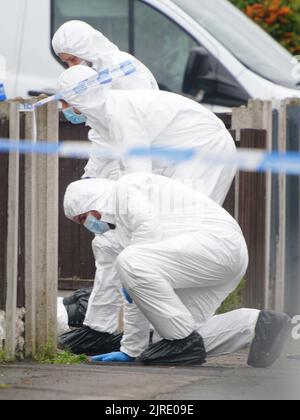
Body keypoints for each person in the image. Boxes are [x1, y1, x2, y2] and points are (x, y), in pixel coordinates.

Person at [63, 176, 290, 367]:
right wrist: (132, 349)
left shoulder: (126, 190)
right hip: (207, 258)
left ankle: (181, 341)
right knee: (167, 335)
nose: (87, 225)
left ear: (92, 202)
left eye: (84, 218)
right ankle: (258, 324)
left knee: (133, 266)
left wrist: (130, 276)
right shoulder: (117, 237)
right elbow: (136, 294)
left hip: (216, 244)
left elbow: (145, 234)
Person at [53, 21, 159, 343]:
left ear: (84, 49)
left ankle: (139, 331)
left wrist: (122, 186)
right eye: (66, 62)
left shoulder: (121, 72)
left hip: (141, 169)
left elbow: (132, 134)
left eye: (72, 59)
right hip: (126, 169)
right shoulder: (99, 78)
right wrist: (90, 180)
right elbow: (101, 133)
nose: (72, 65)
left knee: (126, 249)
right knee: (110, 246)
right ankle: (104, 328)